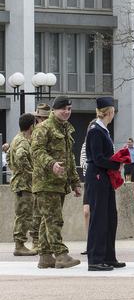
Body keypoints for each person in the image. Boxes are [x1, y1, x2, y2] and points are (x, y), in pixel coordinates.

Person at [30, 96, 81, 269]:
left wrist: (75, 181)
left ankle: (45, 256)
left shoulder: (66, 128)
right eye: (63, 109)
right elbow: (36, 151)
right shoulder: (44, 128)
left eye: (69, 109)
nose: (66, 112)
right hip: (45, 182)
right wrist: (51, 164)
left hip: (60, 183)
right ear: (54, 110)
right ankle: (60, 255)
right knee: (54, 219)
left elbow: (70, 157)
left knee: (47, 220)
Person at [84, 97, 127, 271]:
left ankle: (108, 257)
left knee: (110, 217)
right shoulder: (95, 130)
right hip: (97, 177)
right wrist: (117, 163)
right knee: (99, 218)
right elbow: (97, 158)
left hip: (104, 177)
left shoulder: (102, 129)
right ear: (109, 112)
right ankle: (95, 259)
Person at [9, 113, 38, 256]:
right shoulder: (23, 142)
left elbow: (9, 157)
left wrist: (15, 170)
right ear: (31, 126)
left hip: (20, 182)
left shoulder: (16, 138)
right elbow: (20, 156)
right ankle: (19, 245)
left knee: (23, 214)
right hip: (24, 184)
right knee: (24, 215)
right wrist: (31, 173)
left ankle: (20, 244)